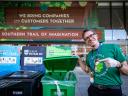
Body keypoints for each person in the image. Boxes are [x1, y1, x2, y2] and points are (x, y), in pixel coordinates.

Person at [78, 29, 128, 96]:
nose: (90, 38)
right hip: (94, 89)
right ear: (85, 42)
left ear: (96, 36)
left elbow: (126, 72)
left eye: (91, 35)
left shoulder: (113, 47)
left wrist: (118, 65)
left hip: (112, 90)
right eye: (86, 38)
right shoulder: (89, 55)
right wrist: (79, 60)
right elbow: (88, 71)